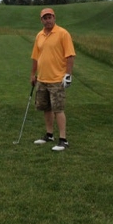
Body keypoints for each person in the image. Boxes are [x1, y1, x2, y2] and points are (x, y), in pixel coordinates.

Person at [30, 8, 76, 151]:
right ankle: (49, 135)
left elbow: (70, 56)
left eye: (50, 17)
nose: (48, 20)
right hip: (42, 78)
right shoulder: (39, 35)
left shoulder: (63, 33)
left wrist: (68, 75)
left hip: (57, 78)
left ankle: (63, 140)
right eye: (45, 18)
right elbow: (36, 57)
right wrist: (33, 74)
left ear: (54, 18)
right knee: (46, 108)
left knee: (58, 109)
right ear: (41, 20)